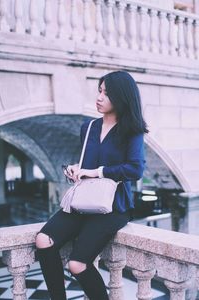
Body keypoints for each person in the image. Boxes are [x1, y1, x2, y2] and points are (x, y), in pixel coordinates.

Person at [35, 70, 148, 300]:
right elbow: (88, 164)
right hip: (85, 200)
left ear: (122, 98)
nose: (99, 97)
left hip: (114, 206)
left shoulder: (132, 131)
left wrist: (97, 172)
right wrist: (77, 170)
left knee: (77, 264)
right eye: (99, 91)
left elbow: (135, 170)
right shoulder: (88, 127)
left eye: (107, 94)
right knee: (43, 241)